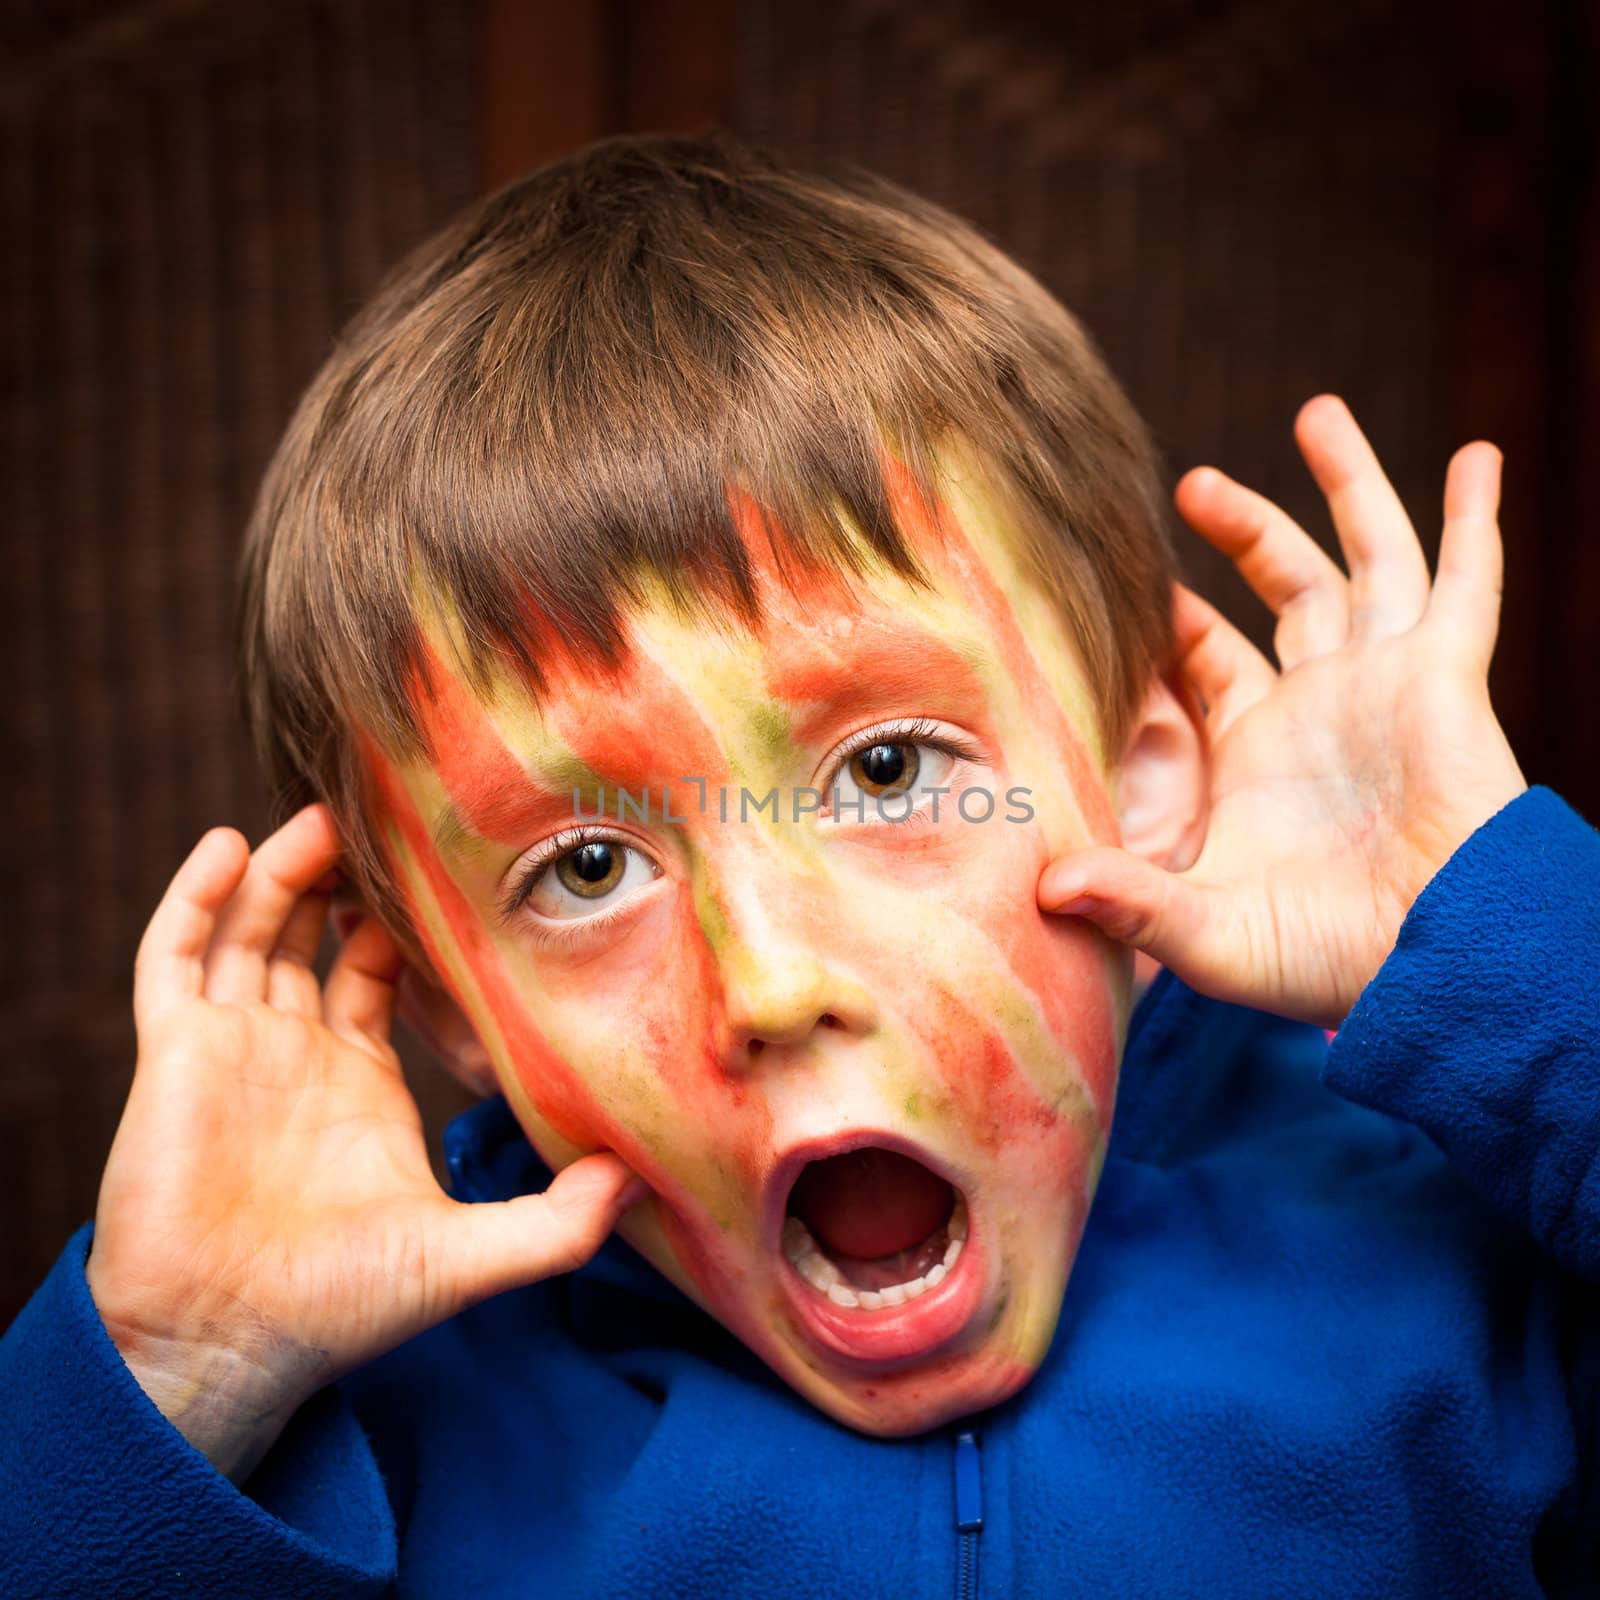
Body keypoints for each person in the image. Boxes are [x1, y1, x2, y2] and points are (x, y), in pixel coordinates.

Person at [3, 129, 1596, 1598]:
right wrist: (176, 1375)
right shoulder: (386, 1445)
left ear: (1141, 786)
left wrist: (1517, 951)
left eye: (889, 769)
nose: (768, 978)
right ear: (445, 1006)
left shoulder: (1457, 1254)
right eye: (581, 869)